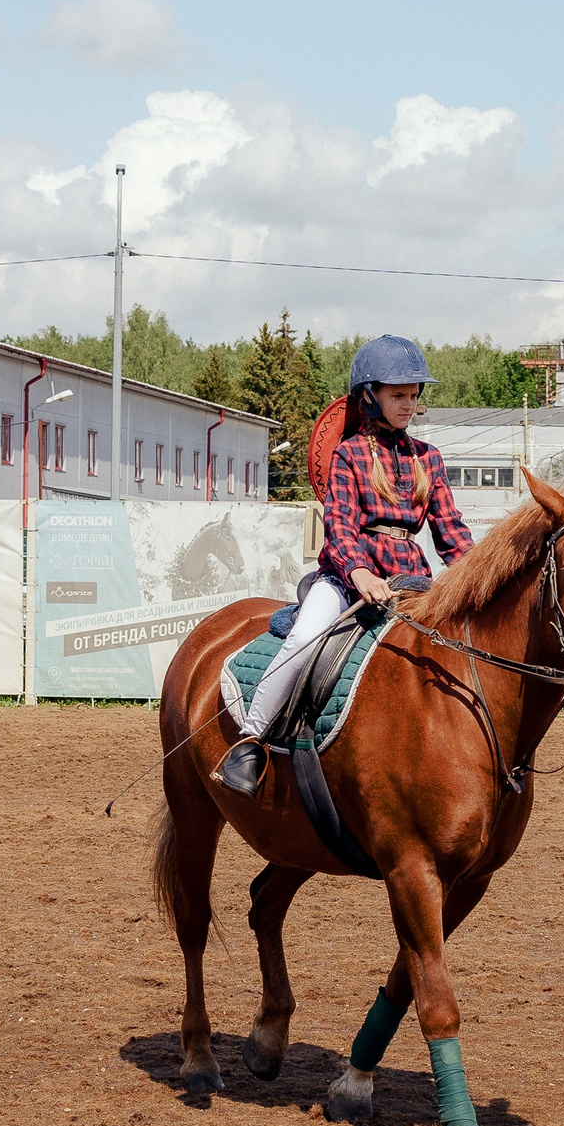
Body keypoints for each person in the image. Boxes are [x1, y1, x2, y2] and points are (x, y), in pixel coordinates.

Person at [215, 334, 473, 795]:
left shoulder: (428, 458)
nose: (408, 405)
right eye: (398, 395)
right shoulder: (348, 455)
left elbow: (451, 532)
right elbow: (340, 526)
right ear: (369, 396)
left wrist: (480, 576)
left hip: (411, 581)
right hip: (345, 578)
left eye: (413, 396)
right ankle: (249, 743)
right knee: (302, 638)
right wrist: (360, 574)